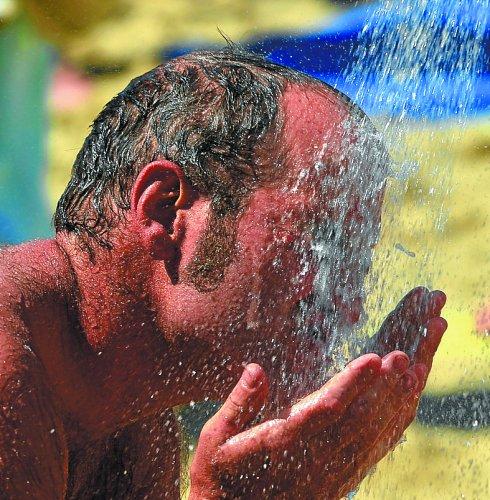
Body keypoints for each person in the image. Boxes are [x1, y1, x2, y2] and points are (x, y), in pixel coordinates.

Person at [0, 48, 447, 499]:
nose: (349, 310)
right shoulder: (9, 364)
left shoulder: (135, 420)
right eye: (322, 247)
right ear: (165, 211)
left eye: (358, 264)